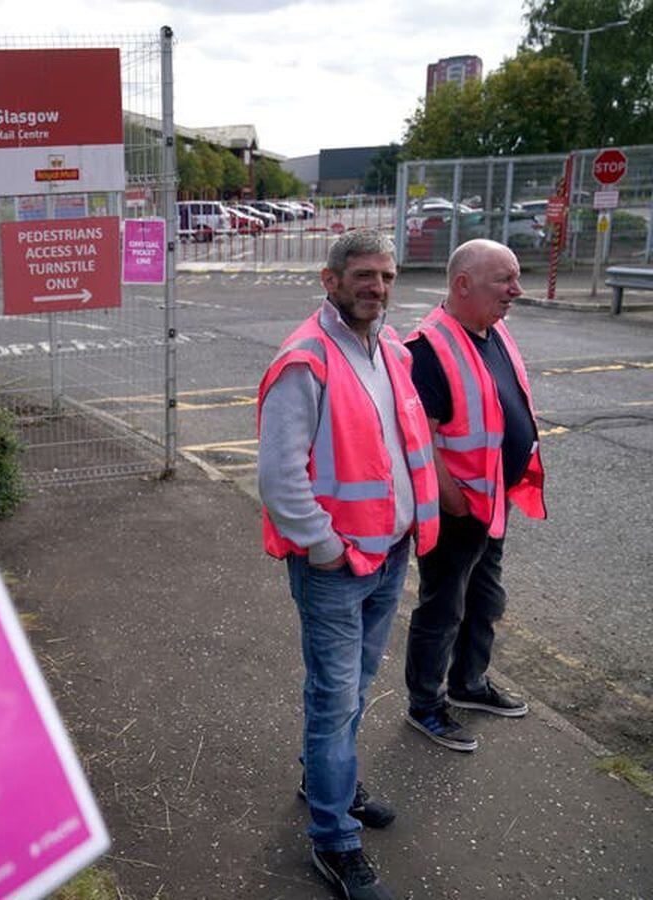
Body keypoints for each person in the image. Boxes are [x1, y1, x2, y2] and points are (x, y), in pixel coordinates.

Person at [258, 231, 439, 900]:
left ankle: (323, 781)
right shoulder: (305, 359)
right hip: (336, 564)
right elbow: (279, 478)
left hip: (388, 555)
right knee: (335, 701)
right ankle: (334, 842)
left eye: (387, 276)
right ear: (331, 281)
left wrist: (407, 530)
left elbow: (398, 447)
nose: (378, 287)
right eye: (364, 275)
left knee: (356, 688)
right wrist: (328, 547)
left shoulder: (388, 347)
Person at [403, 238, 547, 752]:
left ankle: (468, 685)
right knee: (442, 609)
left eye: (516, 277)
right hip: (459, 509)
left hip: (492, 503)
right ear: (462, 284)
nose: (516, 290)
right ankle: (425, 704)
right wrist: (454, 501)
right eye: (504, 280)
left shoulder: (495, 330)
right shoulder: (427, 348)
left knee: (485, 600)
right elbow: (419, 438)